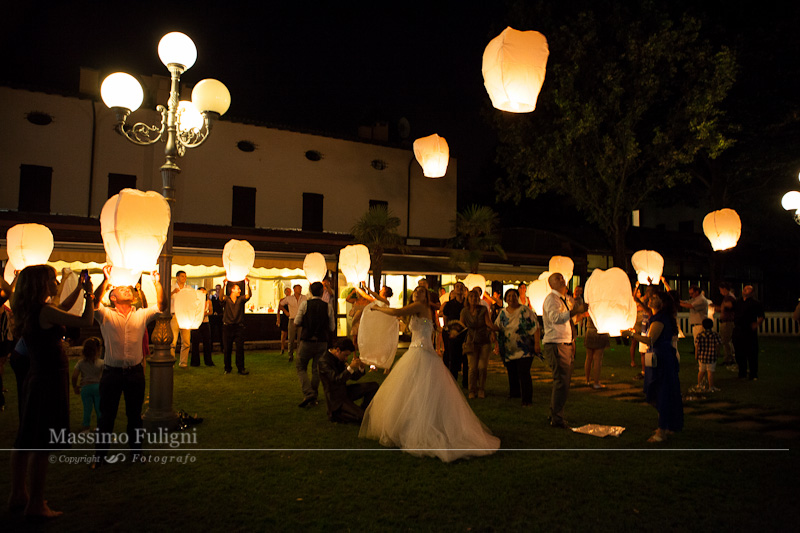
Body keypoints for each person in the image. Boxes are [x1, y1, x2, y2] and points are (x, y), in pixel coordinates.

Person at [359, 286, 500, 462]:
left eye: (422, 291)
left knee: (417, 392)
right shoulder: (422, 311)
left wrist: (377, 307)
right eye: (416, 291)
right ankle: (410, 424)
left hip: (421, 354)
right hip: (420, 352)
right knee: (416, 393)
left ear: (426, 296)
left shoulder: (419, 307)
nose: (418, 293)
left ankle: (417, 427)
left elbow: (397, 311)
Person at [9, 265, 94, 518]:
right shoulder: (45, 311)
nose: (57, 282)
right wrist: (89, 295)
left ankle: (18, 494)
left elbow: (63, 308)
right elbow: (85, 320)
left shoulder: (33, 310)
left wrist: (79, 288)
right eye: (53, 279)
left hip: (37, 376)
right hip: (48, 380)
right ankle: (36, 504)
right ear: (41, 284)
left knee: (26, 438)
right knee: (41, 444)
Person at [93, 266, 164, 464]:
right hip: (111, 374)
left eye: (129, 288)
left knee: (134, 416)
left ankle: (136, 454)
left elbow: (162, 306)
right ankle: (100, 457)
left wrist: (157, 283)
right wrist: (106, 281)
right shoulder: (106, 314)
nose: (127, 288)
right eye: (121, 288)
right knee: (107, 416)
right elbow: (94, 304)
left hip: (134, 373)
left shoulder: (141, 314)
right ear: (112, 296)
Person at [622, 289, 683, 443]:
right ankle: (666, 425)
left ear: (661, 303)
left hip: (661, 359)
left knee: (661, 393)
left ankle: (662, 431)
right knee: (660, 392)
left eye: (654, 297)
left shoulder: (660, 319)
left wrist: (631, 335)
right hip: (660, 357)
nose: (650, 298)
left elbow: (650, 340)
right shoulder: (659, 316)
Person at [541, 272, 586, 428]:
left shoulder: (565, 300)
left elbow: (569, 320)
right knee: (561, 381)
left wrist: (580, 314)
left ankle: (555, 413)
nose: (562, 279)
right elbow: (556, 319)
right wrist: (576, 311)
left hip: (564, 342)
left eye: (562, 277)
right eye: (557, 278)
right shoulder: (551, 299)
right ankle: (557, 417)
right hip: (556, 343)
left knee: (563, 381)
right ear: (551, 284)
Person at [494, 288, 539, 406]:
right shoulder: (503, 312)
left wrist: (537, 344)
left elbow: (536, 327)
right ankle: (514, 393)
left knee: (524, 372)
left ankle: (527, 398)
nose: (511, 298)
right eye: (509, 296)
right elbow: (497, 327)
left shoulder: (525, 310)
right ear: (505, 298)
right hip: (509, 348)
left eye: (514, 295)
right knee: (512, 371)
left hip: (525, 348)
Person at [318, 337, 379, 423]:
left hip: (345, 392)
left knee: (373, 386)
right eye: (345, 355)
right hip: (336, 399)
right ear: (338, 350)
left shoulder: (339, 358)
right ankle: (336, 414)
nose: (346, 358)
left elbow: (353, 377)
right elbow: (336, 380)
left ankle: (362, 409)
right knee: (363, 419)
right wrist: (350, 367)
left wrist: (361, 368)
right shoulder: (324, 361)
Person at [294, 281, 335, 407]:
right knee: (316, 369)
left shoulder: (305, 304)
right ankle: (313, 395)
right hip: (322, 341)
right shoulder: (327, 306)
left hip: (307, 340)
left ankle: (308, 393)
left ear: (310, 291)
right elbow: (332, 327)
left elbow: (296, 321)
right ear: (323, 292)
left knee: (301, 367)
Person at [460, 288, 497, 399]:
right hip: (471, 341)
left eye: (476, 297)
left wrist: (494, 330)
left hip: (484, 340)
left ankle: (481, 388)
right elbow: (461, 326)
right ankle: (472, 390)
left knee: (482, 367)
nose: (474, 299)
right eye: (471, 297)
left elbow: (488, 322)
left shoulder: (483, 309)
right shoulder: (464, 311)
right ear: (468, 299)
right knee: (472, 367)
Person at [71, 337, 104, 432]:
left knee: (87, 408)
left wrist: (75, 387)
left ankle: (86, 427)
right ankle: (100, 427)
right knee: (99, 408)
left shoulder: (80, 363)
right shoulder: (101, 363)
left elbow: (74, 376)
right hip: (98, 387)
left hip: (85, 388)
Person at [733, 285, 765, 380]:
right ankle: (742, 372)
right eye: (745, 289)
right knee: (739, 352)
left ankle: (753, 373)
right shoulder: (738, 302)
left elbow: (761, 316)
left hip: (749, 330)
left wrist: (757, 324)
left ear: (752, 293)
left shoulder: (756, 303)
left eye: (748, 290)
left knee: (751, 352)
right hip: (738, 329)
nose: (745, 291)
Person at [221, 278, 251, 375]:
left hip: (238, 327)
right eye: (238, 289)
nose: (240, 290)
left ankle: (240, 368)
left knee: (240, 348)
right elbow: (220, 297)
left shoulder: (241, 300)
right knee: (227, 348)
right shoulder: (226, 299)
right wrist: (224, 285)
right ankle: (227, 368)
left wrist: (248, 284)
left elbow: (249, 295)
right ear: (232, 290)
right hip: (227, 327)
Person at [441, 281, 467, 385]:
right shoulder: (449, 304)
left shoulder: (467, 303)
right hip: (451, 333)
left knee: (465, 357)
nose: (459, 289)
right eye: (457, 287)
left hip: (464, 333)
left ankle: (466, 381)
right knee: (452, 356)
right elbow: (445, 318)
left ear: (464, 290)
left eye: (461, 287)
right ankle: (451, 380)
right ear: (454, 290)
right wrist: (449, 331)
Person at [691, 318, 723, 393]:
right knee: (710, 372)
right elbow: (718, 345)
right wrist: (718, 353)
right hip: (711, 356)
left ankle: (699, 385)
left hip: (702, 356)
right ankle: (711, 386)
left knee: (701, 371)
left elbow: (697, 346)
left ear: (703, 326)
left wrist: (696, 355)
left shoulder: (699, 335)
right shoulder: (715, 335)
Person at [170, 270, 192, 368]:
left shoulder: (188, 288)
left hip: (185, 315)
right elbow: (165, 298)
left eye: (185, 276)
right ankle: (171, 362)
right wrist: (172, 292)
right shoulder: (172, 287)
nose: (184, 278)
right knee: (173, 341)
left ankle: (183, 362)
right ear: (177, 277)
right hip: (175, 315)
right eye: (182, 276)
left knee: (186, 341)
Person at [680, 286, 709, 353]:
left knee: (699, 343)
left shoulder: (701, 300)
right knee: (697, 343)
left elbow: (690, 306)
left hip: (700, 325)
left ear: (697, 292)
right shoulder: (695, 299)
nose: (690, 295)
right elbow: (687, 302)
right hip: (697, 325)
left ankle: (701, 357)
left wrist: (678, 303)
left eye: (692, 293)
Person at [583, 316, 609, 389]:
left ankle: (587, 380)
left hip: (589, 330)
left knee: (589, 357)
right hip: (600, 330)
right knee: (597, 358)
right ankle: (596, 382)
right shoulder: (602, 306)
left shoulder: (590, 305)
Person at [190, 287, 214, 366]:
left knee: (207, 342)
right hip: (196, 323)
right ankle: (195, 361)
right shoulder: (194, 302)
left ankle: (208, 361)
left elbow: (211, 312)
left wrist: (204, 314)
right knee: (195, 343)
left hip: (205, 322)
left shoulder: (208, 302)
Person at [285, 284, 306, 362]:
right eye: (298, 289)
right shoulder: (289, 298)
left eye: (300, 288)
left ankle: (299, 355)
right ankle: (290, 355)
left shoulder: (304, 297)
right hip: (292, 319)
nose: (300, 290)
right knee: (291, 339)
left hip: (301, 319)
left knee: (300, 339)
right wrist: (286, 312)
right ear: (294, 290)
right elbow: (281, 304)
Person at [717, 282, 736, 365]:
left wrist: (723, 306)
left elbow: (730, 306)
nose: (720, 292)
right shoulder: (727, 297)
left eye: (720, 290)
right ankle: (729, 357)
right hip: (726, 321)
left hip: (727, 322)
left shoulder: (729, 297)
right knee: (726, 341)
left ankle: (728, 359)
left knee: (726, 341)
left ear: (724, 289)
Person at [277, 287, 291, 355]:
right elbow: (279, 310)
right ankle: (282, 347)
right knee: (283, 334)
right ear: (285, 293)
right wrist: (278, 319)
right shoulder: (282, 300)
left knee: (290, 333)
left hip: (290, 317)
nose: (289, 293)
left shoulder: (291, 300)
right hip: (284, 318)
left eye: (289, 292)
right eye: (287, 292)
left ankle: (289, 348)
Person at [209, 283, 224, 351]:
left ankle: (222, 347)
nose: (217, 290)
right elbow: (208, 295)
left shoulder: (222, 297)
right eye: (216, 289)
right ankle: (211, 347)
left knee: (221, 332)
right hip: (213, 316)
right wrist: (212, 290)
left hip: (220, 316)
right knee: (212, 332)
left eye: (218, 289)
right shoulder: (212, 297)